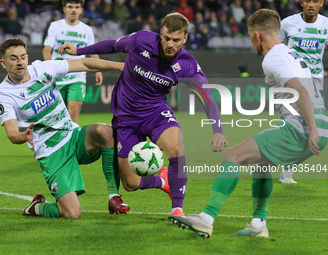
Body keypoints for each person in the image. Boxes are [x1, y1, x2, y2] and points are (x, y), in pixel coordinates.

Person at [169, 9, 328, 239]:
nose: (251, 40)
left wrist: (311, 128)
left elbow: (300, 90)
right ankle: (258, 224)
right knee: (261, 164)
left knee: (232, 156)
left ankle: (206, 218)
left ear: (258, 36)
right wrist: (317, 130)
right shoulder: (291, 53)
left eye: (249, 35)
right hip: (320, 128)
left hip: (303, 128)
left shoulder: (273, 57)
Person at [59, 12, 228, 218]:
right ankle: (161, 180)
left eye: (176, 40)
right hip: (126, 117)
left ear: (185, 38)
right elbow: (112, 45)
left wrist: (217, 130)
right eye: (167, 38)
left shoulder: (187, 65)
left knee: (177, 147)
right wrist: (79, 50)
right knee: (130, 184)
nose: (170, 44)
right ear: (161, 33)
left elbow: (207, 96)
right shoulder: (141, 41)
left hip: (156, 112)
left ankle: (177, 209)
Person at [0, 38, 128, 218]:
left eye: (23, 57)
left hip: (72, 135)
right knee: (72, 213)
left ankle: (114, 196)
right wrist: (23, 135)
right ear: (3, 63)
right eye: (13, 58)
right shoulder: (4, 94)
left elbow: (83, 63)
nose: (20, 62)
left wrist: (121, 66)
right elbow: (11, 133)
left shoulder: (42, 68)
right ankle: (37, 207)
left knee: (106, 131)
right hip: (51, 152)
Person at [279, 0, 328, 184]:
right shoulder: (288, 23)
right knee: (293, 125)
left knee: (317, 131)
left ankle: (285, 161)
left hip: (315, 84)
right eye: (307, 0)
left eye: (315, 1)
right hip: (293, 82)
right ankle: (286, 170)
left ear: (321, 3)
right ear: (302, 2)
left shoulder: (325, 25)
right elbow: (276, 48)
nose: (310, 4)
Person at [43, 0, 102, 125]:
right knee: (57, 114)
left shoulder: (87, 30)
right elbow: (47, 50)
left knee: (74, 109)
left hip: (77, 76)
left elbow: (93, 52)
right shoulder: (55, 26)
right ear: (64, 9)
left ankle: (73, 142)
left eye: (77, 7)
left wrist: (98, 70)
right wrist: (50, 68)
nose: (73, 10)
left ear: (81, 10)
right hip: (57, 76)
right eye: (70, 7)